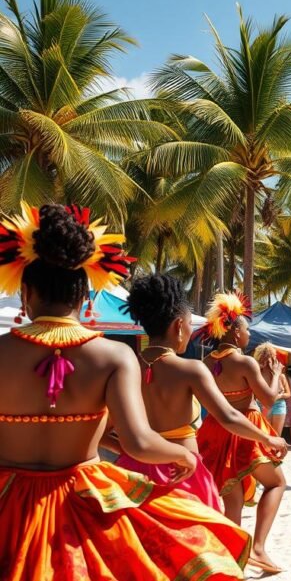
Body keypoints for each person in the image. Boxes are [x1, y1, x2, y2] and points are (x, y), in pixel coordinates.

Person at [0, 204, 252, 579]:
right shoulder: (115, 356)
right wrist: (182, 458)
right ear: (85, 295)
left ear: (24, 294)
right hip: (84, 502)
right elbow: (138, 442)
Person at [123, 274, 287, 511]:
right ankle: (258, 548)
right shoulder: (190, 369)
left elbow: (107, 431)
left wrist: (134, 448)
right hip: (182, 472)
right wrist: (267, 438)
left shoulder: (127, 366)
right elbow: (229, 417)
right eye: (190, 324)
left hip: (134, 470)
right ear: (179, 326)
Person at [196, 292, 288, 573]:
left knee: (231, 499)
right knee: (276, 483)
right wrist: (274, 372)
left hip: (214, 428)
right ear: (235, 331)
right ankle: (258, 547)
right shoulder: (245, 362)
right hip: (246, 427)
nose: (248, 333)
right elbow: (270, 399)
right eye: (246, 328)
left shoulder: (207, 363)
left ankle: (230, 559)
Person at [254, 344, 291, 440]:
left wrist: (279, 396)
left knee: (276, 436)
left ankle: (273, 454)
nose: (269, 360)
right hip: (262, 404)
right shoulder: (257, 373)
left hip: (279, 404)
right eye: (265, 357)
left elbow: (288, 394)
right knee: (265, 435)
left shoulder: (280, 375)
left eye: (271, 357)